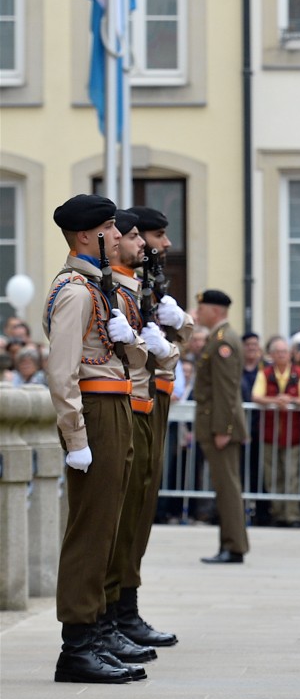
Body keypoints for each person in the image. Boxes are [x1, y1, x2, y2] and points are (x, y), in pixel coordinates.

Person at [43, 194, 149, 684]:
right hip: (95, 411)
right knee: (91, 529)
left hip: (114, 403)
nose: (118, 235)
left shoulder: (95, 287)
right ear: (86, 235)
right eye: (109, 227)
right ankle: (78, 644)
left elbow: (136, 363)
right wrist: (75, 435)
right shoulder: (76, 291)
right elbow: (61, 372)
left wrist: (129, 337)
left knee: (107, 524)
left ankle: (97, 631)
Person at [100, 210, 178, 666]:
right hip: (130, 405)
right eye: (152, 235)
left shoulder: (138, 286)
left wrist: (176, 332)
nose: (159, 244)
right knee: (122, 516)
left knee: (139, 513)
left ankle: (122, 610)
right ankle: (110, 616)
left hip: (148, 403)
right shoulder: (113, 289)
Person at [193, 290, 251, 563]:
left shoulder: (223, 341)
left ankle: (233, 546)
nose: (198, 312)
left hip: (220, 427)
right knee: (225, 486)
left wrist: (222, 429)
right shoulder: (218, 339)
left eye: (201, 307)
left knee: (227, 488)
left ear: (215, 310)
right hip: (216, 424)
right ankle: (231, 543)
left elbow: (226, 391)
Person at [252, 336, 300, 527]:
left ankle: (292, 515)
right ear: (271, 355)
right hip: (270, 433)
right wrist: (275, 401)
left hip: (292, 434)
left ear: (290, 355)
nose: (281, 355)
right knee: (272, 475)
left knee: (291, 475)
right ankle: (277, 513)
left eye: (284, 352)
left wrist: (289, 400)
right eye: (277, 352)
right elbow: (256, 396)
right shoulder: (265, 373)